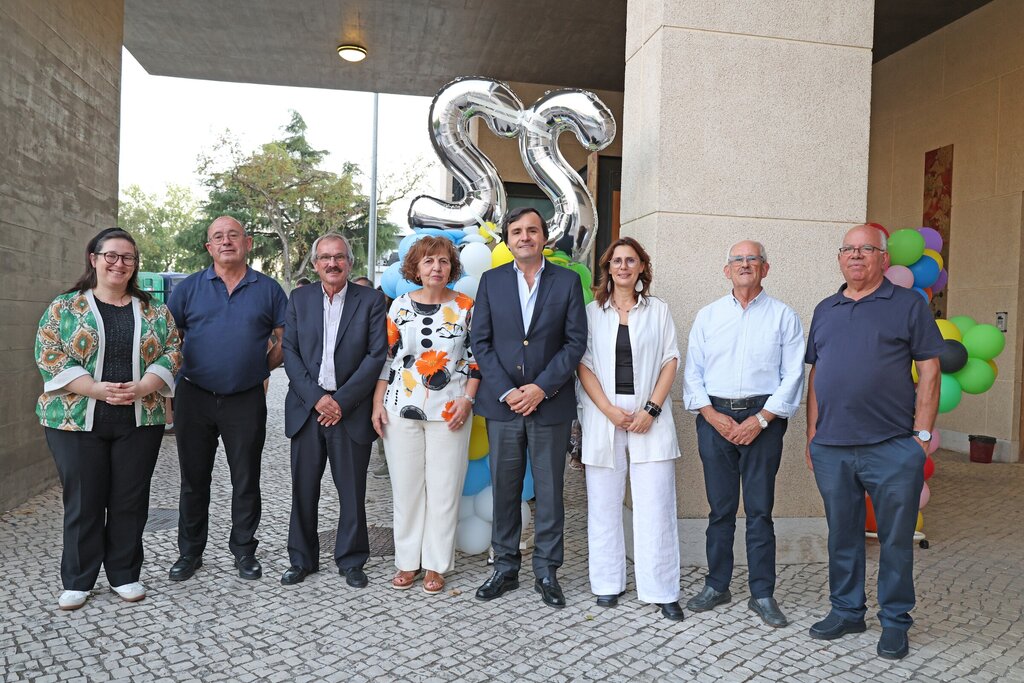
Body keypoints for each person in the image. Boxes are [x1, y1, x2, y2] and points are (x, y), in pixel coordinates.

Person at [805, 225, 942, 659]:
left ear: (883, 258)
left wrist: (921, 435)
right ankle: (847, 611)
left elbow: (931, 370)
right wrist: (813, 435)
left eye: (867, 249)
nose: (857, 256)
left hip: (892, 445)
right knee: (842, 534)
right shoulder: (825, 308)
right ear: (840, 257)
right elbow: (816, 374)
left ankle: (896, 621)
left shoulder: (907, 305)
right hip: (832, 447)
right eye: (849, 249)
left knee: (896, 541)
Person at [35, 228, 182, 610]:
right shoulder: (64, 308)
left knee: (130, 500)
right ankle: (78, 580)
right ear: (94, 258)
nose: (119, 264)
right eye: (111, 256)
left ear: (135, 264)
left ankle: (124, 574)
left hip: (139, 417)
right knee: (84, 500)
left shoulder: (153, 310)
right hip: (75, 419)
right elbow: (49, 351)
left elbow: (172, 349)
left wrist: (144, 385)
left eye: (128, 257)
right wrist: (95, 389)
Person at [681, 240, 805, 628]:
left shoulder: (784, 317)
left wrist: (762, 419)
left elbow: (794, 376)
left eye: (754, 259)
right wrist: (712, 415)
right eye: (738, 260)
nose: (745, 265)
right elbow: (693, 372)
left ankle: (762, 593)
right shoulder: (708, 316)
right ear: (727, 270)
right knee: (720, 510)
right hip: (714, 416)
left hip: (763, 420)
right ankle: (717, 585)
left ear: (766, 269)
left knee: (759, 511)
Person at [471, 207, 587, 608]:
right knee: (505, 489)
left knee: (551, 493)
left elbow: (575, 343)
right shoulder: (490, 282)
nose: (525, 237)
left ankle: (547, 571)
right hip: (503, 406)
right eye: (517, 231)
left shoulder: (567, 282)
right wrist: (507, 390)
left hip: (549, 405)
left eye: (532, 230)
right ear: (508, 238)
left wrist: (540, 388)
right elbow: (480, 342)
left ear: (544, 237)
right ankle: (504, 568)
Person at [166, 216, 287, 582]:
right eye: (218, 236)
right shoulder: (187, 289)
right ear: (209, 247)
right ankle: (189, 553)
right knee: (193, 479)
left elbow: (286, 338)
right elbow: (171, 341)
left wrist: (260, 367)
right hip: (195, 397)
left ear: (247, 242)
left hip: (245, 398)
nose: (226, 241)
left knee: (246, 478)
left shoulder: (268, 289)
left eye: (233, 235)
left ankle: (244, 552)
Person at [577, 237, 684, 621]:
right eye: (617, 260)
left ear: (641, 267)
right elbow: (583, 364)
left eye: (631, 260)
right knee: (603, 504)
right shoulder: (591, 313)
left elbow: (671, 358)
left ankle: (661, 589)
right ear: (607, 268)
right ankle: (607, 584)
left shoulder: (659, 311)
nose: (623, 266)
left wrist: (652, 409)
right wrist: (607, 409)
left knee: (655, 504)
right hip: (604, 413)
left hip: (648, 414)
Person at [371, 236, 479, 594]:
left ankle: (436, 564)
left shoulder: (466, 306)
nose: (436, 267)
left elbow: (476, 359)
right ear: (415, 268)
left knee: (445, 490)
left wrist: (467, 400)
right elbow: (387, 359)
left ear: (452, 268)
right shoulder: (399, 306)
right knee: (406, 490)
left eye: (444, 262)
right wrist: (377, 403)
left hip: (452, 411)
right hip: (401, 408)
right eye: (429, 261)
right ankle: (407, 562)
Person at [280, 233, 387, 587]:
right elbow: (290, 353)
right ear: (315, 264)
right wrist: (317, 399)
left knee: (352, 490)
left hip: (350, 410)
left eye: (339, 257)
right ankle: (302, 559)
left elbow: (375, 356)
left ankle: (352, 560)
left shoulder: (371, 301)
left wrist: (339, 402)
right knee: (304, 488)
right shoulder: (299, 299)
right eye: (325, 258)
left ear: (349, 263)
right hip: (307, 409)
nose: (332, 264)